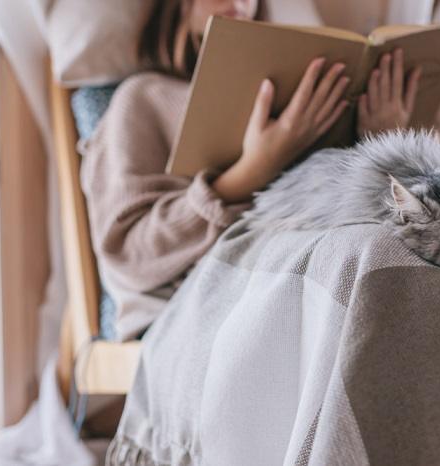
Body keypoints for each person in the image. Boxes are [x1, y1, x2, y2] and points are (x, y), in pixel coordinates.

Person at [80, 0, 422, 340]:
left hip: (300, 279)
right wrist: (250, 173)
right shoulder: (143, 98)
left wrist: (381, 142)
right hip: (200, 305)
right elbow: (129, 255)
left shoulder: (294, 105)